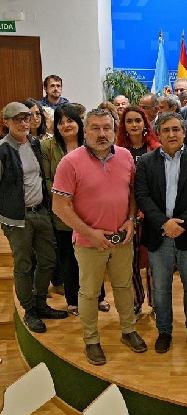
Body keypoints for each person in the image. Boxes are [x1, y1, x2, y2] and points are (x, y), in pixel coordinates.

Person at [52, 108, 146, 365]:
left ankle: (128, 330)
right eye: (95, 128)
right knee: (90, 293)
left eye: (107, 128)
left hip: (122, 238)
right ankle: (91, 340)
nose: (102, 134)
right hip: (89, 242)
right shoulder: (70, 162)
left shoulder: (125, 156)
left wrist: (131, 219)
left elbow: (131, 193)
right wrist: (90, 233)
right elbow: (59, 206)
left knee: (124, 287)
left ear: (114, 130)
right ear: (85, 130)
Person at [135, 112, 187, 353]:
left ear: (184, 132)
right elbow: (142, 196)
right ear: (158, 134)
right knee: (160, 288)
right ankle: (164, 331)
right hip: (159, 235)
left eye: (176, 129)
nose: (171, 134)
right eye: (166, 130)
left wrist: (180, 224)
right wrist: (164, 224)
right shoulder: (145, 161)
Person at [1, 102, 68, 333]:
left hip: (41, 212)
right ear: (6, 122)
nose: (23, 123)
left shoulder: (33, 143)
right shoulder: (3, 150)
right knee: (23, 265)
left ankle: (41, 303)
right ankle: (29, 310)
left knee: (48, 260)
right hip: (17, 219)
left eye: (26, 118)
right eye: (17, 119)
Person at [42, 104, 109, 315]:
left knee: (94, 257)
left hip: (89, 212)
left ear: (79, 124)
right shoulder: (48, 147)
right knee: (69, 259)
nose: (66, 125)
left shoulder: (90, 144)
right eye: (60, 122)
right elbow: (47, 179)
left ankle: (99, 297)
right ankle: (73, 301)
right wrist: (65, 198)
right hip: (63, 214)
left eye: (70, 120)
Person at [116, 105, 162, 315]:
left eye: (138, 120)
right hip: (126, 214)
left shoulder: (156, 148)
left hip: (153, 212)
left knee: (153, 262)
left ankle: (156, 302)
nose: (134, 125)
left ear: (145, 123)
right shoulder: (117, 151)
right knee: (130, 261)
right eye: (129, 121)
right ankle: (136, 300)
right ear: (123, 125)